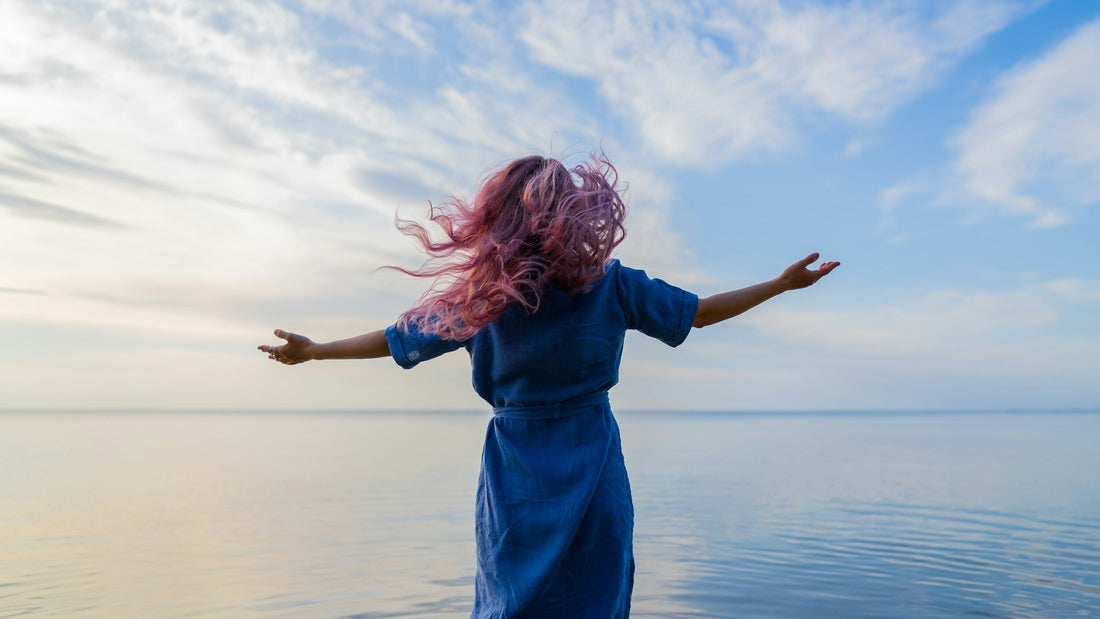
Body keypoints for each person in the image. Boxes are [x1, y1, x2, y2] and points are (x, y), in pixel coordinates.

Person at [258, 153, 838, 618]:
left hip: (518, 465)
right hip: (584, 453)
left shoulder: (486, 298)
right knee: (595, 589)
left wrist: (317, 352)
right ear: (577, 211)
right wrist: (778, 286)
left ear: (498, 215)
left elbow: (395, 340)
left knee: (514, 594)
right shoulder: (606, 285)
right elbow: (701, 312)